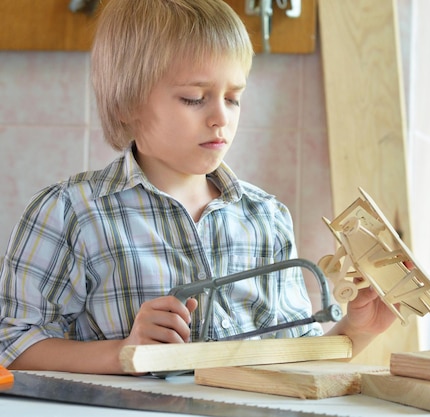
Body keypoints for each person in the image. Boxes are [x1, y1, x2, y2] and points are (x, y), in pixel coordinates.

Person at [0, 0, 396, 374]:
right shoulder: (70, 211)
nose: (220, 117)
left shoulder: (267, 218)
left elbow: (296, 363)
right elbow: (11, 346)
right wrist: (125, 351)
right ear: (126, 104)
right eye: (194, 98)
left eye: (233, 98)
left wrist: (358, 329)